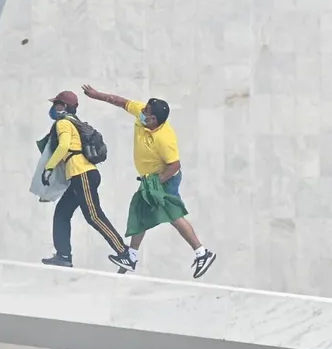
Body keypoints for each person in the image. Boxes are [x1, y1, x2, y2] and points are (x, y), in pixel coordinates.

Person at [81, 84, 216, 278]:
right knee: (140, 211)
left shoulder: (164, 138)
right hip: (150, 178)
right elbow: (120, 101)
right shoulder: (141, 112)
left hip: (165, 177)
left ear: (154, 119)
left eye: (146, 112)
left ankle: (202, 253)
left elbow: (175, 165)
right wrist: (96, 95)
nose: (141, 112)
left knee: (173, 214)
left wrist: (158, 183)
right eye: (143, 109)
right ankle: (132, 257)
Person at [39, 91, 135, 271]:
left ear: (64, 106)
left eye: (57, 104)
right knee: (62, 213)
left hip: (82, 174)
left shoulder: (63, 123)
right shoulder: (74, 123)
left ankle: (125, 254)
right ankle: (63, 256)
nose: (53, 108)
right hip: (80, 174)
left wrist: (49, 168)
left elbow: (64, 145)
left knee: (94, 216)